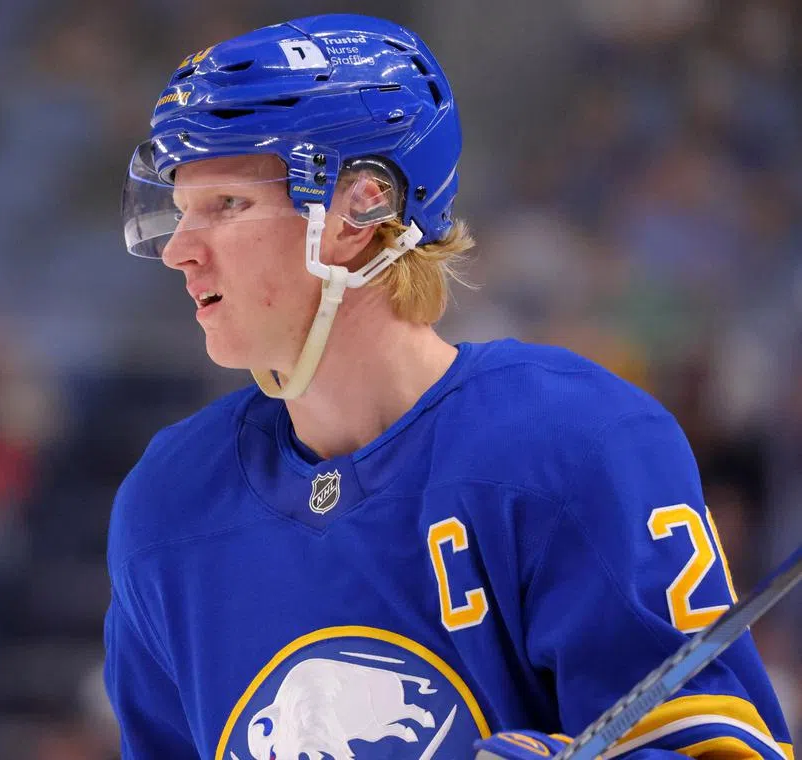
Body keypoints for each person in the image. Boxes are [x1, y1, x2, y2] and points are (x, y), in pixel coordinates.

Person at [105, 13, 794, 760]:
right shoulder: (169, 505)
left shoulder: (573, 443)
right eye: (178, 213)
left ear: (360, 208)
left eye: (226, 206)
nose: (178, 251)